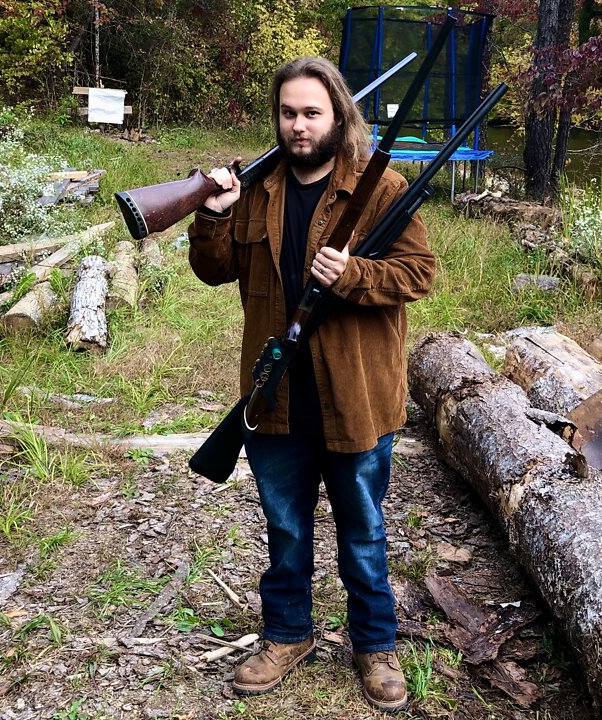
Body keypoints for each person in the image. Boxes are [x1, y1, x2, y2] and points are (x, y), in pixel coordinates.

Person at [187, 55, 436, 712]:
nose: (299, 126)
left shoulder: (380, 188)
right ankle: (288, 635)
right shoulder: (258, 189)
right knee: (287, 528)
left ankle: (375, 646)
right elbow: (212, 272)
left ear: (337, 117)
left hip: (354, 394)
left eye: (311, 113)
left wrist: (352, 274)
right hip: (274, 394)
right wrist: (213, 215)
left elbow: (418, 275)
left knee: (363, 530)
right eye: (289, 113)